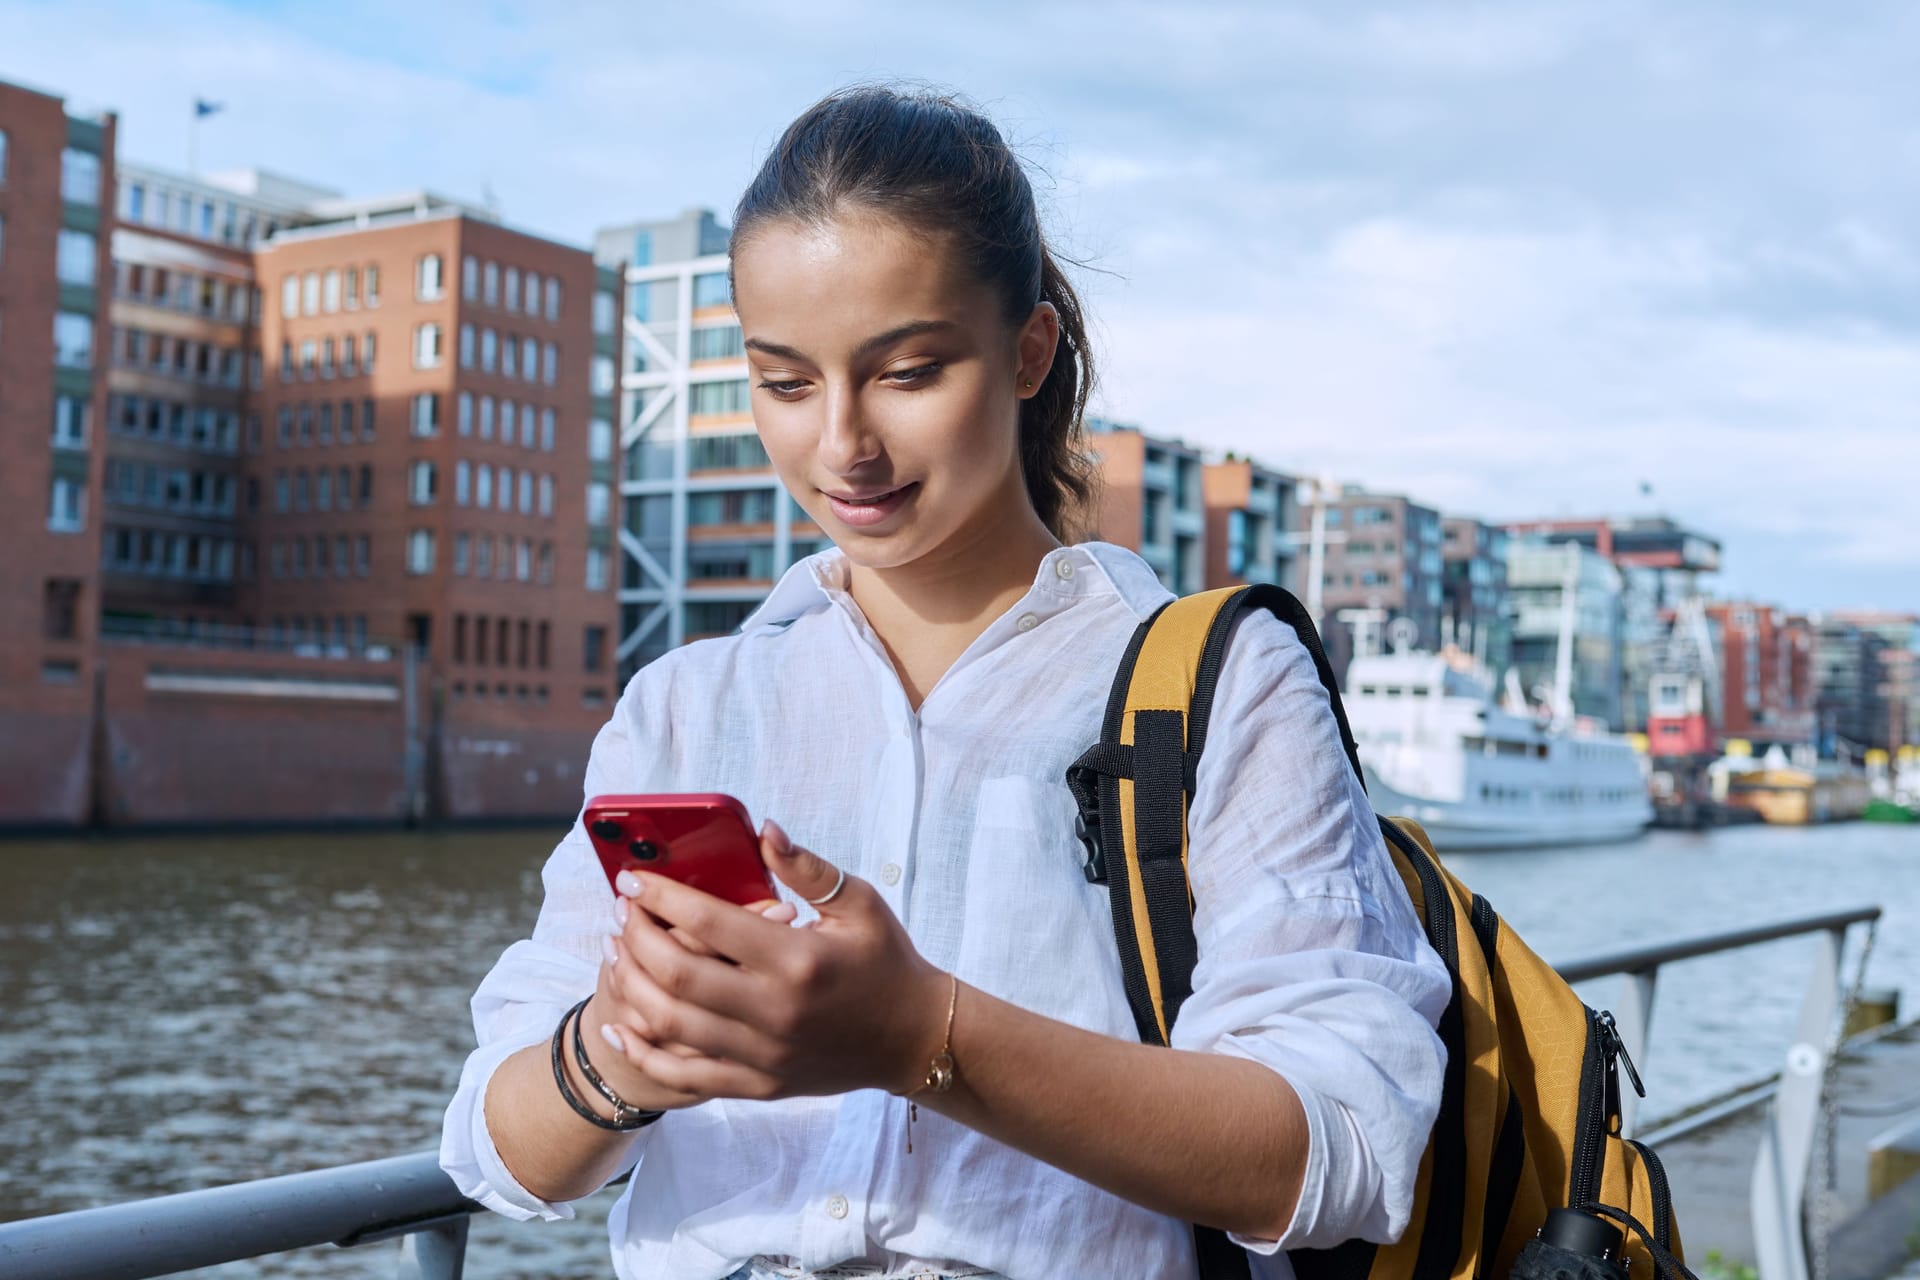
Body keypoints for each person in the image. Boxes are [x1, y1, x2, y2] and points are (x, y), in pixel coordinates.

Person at [439, 84, 1449, 1280]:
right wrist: (625, 1051)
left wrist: (922, 1032)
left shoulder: (1217, 680)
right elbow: (496, 1147)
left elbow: (1341, 1150)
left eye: (907, 371)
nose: (841, 446)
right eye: (785, 380)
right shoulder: (684, 705)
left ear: (1029, 352)